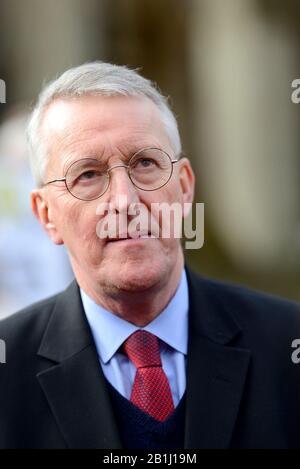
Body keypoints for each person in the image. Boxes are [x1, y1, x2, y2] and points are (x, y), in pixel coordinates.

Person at [0, 62, 299, 449]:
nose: (124, 201)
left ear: (185, 187)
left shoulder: (287, 346)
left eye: (145, 164)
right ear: (46, 215)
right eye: (88, 175)